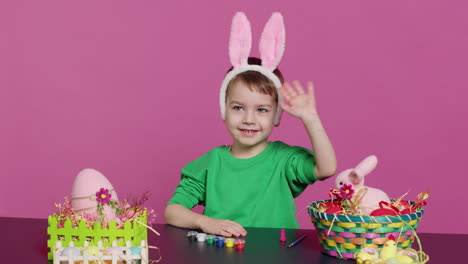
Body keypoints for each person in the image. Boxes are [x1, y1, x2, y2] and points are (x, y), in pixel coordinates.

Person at [164, 12, 337, 237]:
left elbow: (326, 169)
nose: (249, 119)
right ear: (224, 110)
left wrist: (311, 118)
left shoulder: (285, 159)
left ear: (276, 115)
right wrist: (205, 222)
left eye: (262, 110)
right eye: (238, 108)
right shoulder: (211, 162)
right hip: (224, 253)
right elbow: (173, 211)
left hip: (279, 254)